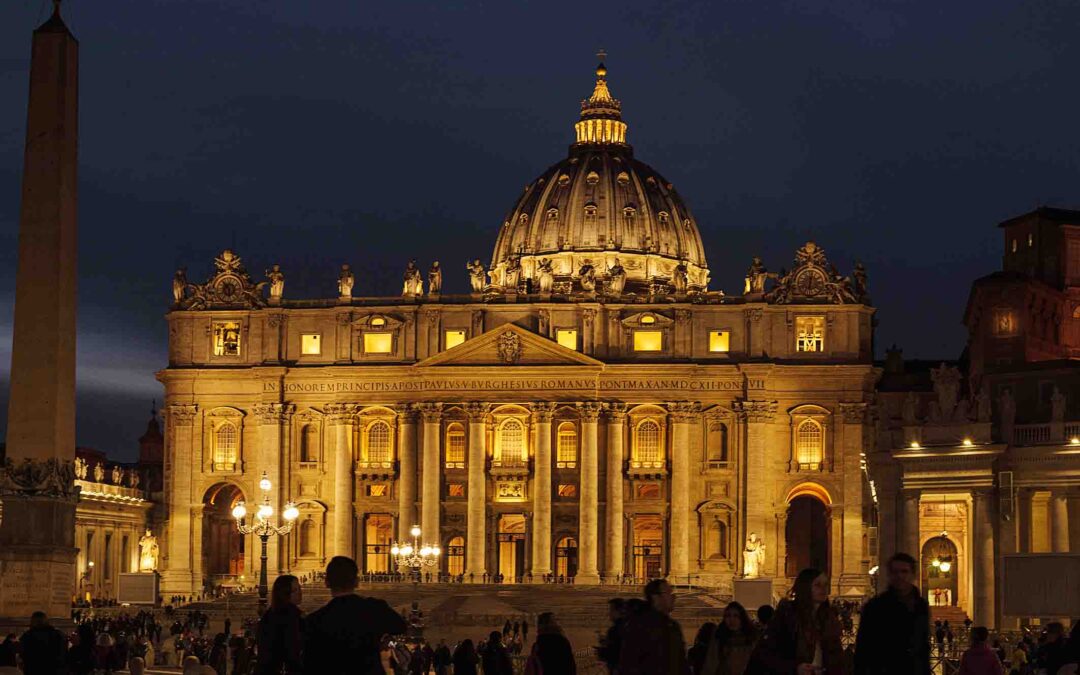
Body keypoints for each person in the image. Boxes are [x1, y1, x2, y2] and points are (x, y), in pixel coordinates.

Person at [304, 556, 407, 674]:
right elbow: (400, 627)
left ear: (326, 582)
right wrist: (386, 639)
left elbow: (309, 662)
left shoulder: (314, 620)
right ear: (356, 582)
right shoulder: (375, 608)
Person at [749, 568, 843, 675]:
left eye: (826, 584)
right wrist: (794, 668)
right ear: (805, 587)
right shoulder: (787, 616)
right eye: (817, 585)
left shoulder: (829, 618)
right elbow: (767, 654)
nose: (823, 589)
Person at [854, 552, 931, 675]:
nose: (899, 576)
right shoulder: (875, 606)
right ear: (889, 575)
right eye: (895, 572)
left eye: (904, 571)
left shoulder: (921, 606)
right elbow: (863, 648)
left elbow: (923, 646)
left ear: (913, 575)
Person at [618, 579, 689, 675]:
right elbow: (629, 663)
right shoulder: (640, 626)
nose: (673, 597)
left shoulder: (672, 626)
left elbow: (681, 663)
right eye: (668, 593)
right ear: (656, 598)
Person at [256, 574, 304, 675]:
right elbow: (293, 651)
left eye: (299, 588)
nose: (300, 593)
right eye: (295, 590)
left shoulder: (269, 615)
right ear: (285, 594)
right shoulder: (292, 617)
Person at [701, 602, 758, 675]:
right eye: (728, 616)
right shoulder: (720, 637)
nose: (732, 620)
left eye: (736, 616)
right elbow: (711, 662)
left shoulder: (751, 637)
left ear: (742, 618)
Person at [597, 599, 626, 673]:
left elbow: (614, 653)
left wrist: (600, 651)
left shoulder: (615, 630)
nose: (609, 613)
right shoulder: (628, 626)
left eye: (611, 610)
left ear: (618, 611)